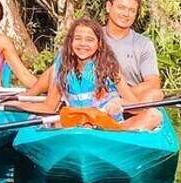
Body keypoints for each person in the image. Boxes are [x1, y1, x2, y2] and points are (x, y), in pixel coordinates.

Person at [9, 18, 161, 129]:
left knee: (154, 115)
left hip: (106, 124)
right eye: (78, 39)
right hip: (76, 124)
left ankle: (120, 140)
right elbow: (49, 107)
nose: (83, 44)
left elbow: (135, 106)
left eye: (89, 40)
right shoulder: (60, 68)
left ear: (98, 44)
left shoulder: (110, 66)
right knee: (50, 122)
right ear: (71, 42)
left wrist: (119, 102)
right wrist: (17, 105)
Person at [26, 0, 164, 101]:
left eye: (132, 10)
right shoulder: (90, 37)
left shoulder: (143, 44)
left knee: (155, 94)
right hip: (88, 97)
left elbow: (153, 83)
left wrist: (115, 96)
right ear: (109, 7)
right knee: (56, 66)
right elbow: (60, 66)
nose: (126, 14)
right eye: (121, 8)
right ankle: (29, 96)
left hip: (125, 100)